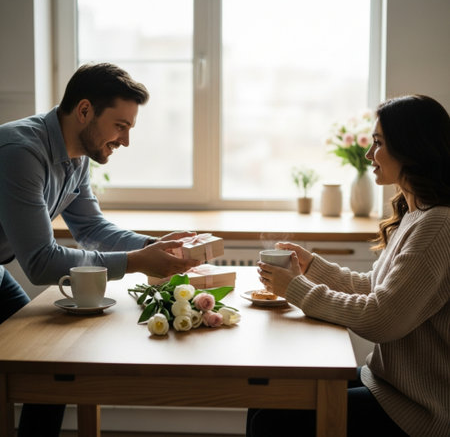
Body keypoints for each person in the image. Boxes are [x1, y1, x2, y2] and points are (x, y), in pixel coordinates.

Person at [0, 63, 200, 436]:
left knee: (53, 370)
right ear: (85, 110)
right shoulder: (20, 152)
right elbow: (42, 263)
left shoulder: (76, 155)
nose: (125, 141)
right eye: (120, 126)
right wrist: (136, 262)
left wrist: (153, 247)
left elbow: (91, 228)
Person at [248, 94, 450, 437]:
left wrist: (295, 288)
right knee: (267, 396)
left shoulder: (438, 225)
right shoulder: (415, 214)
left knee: (272, 420)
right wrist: (311, 265)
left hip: (418, 408)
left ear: (411, 148)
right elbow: (375, 288)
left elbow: (380, 318)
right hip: (386, 383)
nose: (370, 154)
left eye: (378, 143)